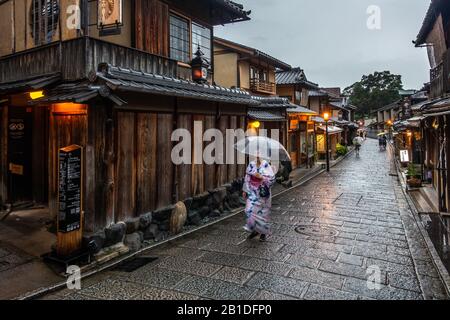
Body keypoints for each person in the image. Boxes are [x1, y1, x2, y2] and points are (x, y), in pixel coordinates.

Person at [242, 157, 276, 242]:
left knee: (263, 212)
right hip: (252, 191)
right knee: (249, 210)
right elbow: (247, 178)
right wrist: (245, 190)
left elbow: (272, 179)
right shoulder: (251, 164)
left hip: (262, 192)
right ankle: (255, 230)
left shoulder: (266, 165)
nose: (257, 155)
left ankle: (263, 233)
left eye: (259, 153)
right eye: (255, 153)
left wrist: (261, 177)